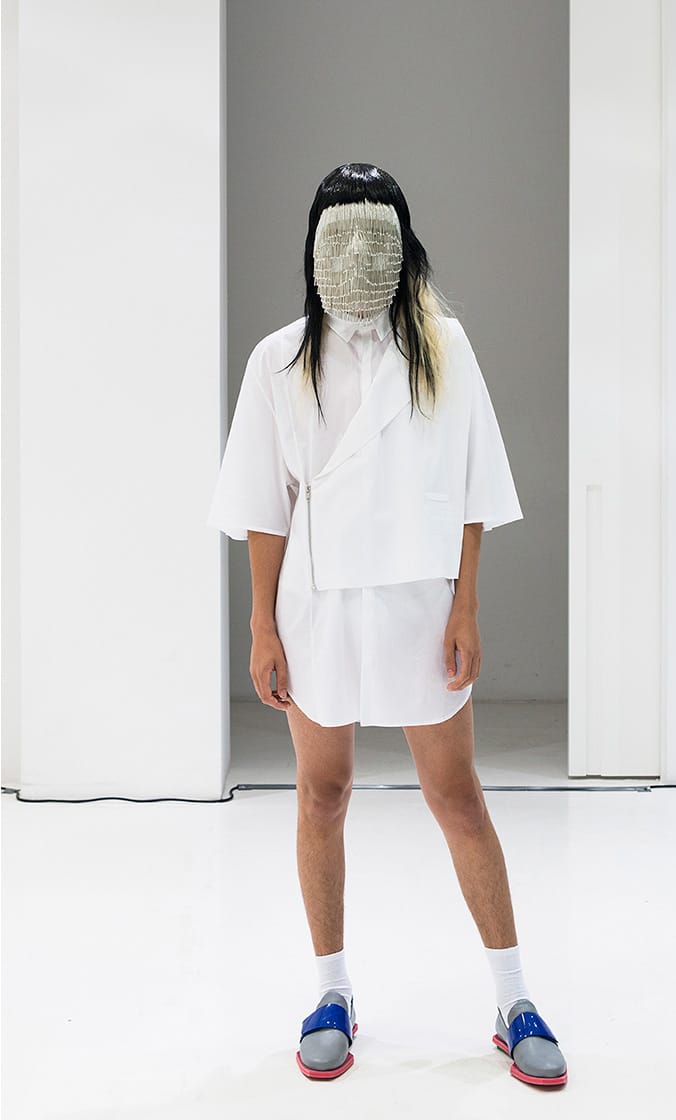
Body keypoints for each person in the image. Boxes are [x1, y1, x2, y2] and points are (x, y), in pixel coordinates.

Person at [207, 163, 568, 1087]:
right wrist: (261, 625)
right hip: (318, 604)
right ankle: (331, 992)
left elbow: (473, 485)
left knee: (457, 796)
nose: (360, 254)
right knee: (321, 795)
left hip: (417, 600)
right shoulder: (279, 358)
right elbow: (265, 505)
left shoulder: (443, 347)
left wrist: (466, 603)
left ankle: (515, 998)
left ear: (403, 246)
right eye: (341, 235)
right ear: (315, 248)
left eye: (377, 236)